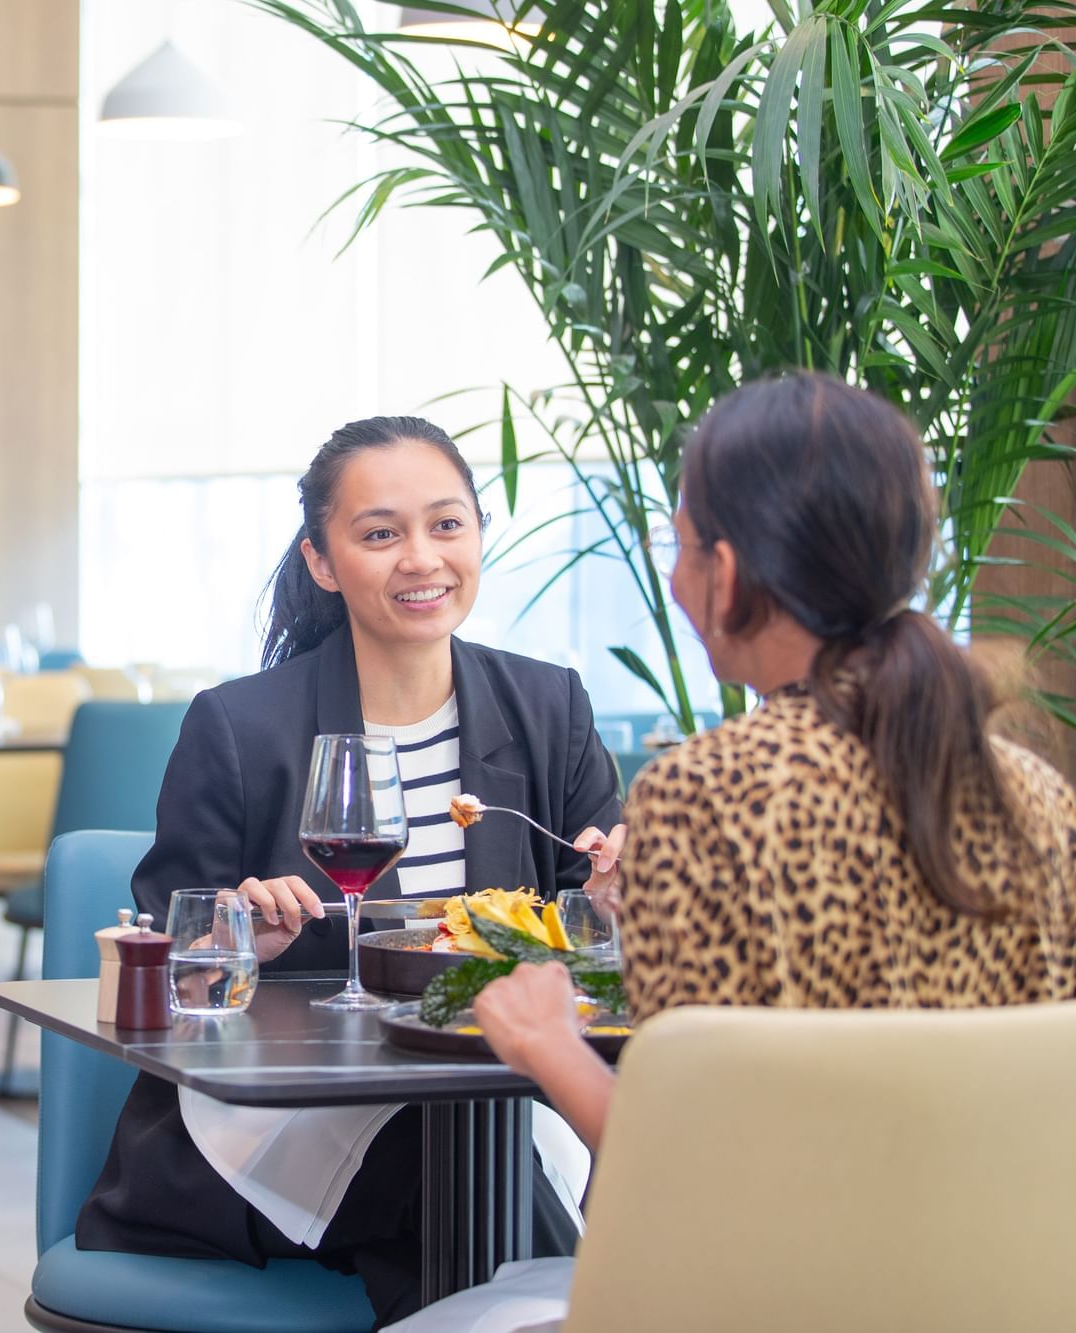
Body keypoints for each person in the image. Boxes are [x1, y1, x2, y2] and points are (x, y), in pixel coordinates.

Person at [75, 415, 627, 1326]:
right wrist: (238, 932)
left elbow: (602, 939)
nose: (422, 558)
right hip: (284, 1117)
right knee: (461, 1173)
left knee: (470, 1169)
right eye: (381, 534)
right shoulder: (239, 727)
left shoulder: (547, 707)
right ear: (323, 561)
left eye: (447, 525)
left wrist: (615, 895)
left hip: (498, 1098)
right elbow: (160, 963)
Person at [472, 372, 1076, 1155]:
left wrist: (543, 1042)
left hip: (784, 1279)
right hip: (1005, 1273)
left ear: (723, 574)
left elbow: (682, 1162)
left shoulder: (703, 794)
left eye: (679, 545)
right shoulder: (1032, 791)